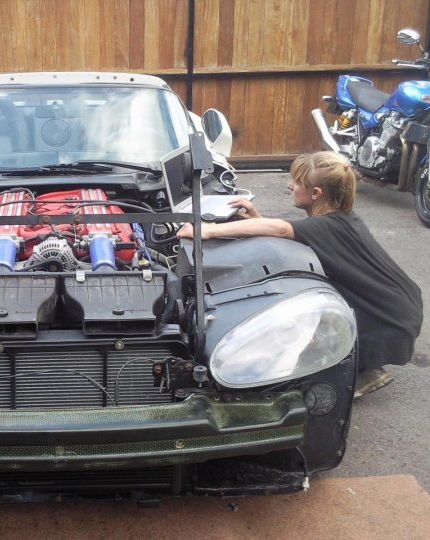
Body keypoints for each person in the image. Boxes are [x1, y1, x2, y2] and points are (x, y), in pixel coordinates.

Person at [177, 151, 423, 398]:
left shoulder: (324, 226)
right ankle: (365, 366)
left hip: (388, 321)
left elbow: (283, 229)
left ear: (316, 194)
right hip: (400, 307)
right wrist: (257, 219)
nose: (289, 185)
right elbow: (290, 238)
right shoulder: (340, 221)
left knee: (300, 331)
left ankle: (363, 370)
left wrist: (207, 230)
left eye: (295, 182)